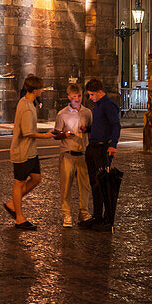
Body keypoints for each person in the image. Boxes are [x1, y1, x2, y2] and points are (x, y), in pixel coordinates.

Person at [4, 74, 54, 230]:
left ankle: (13, 203)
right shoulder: (26, 106)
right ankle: (19, 218)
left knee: (36, 178)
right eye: (41, 88)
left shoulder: (30, 103)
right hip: (22, 152)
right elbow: (27, 132)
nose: (43, 90)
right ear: (35, 90)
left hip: (31, 151)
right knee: (18, 183)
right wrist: (46, 135)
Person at [81, 78, 121, 231]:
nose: (91, 98)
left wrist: (113, 146)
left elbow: (115, 125)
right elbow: (100, 124)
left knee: (103, 184)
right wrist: (89, 129)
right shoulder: (97, 106)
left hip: (103, 148)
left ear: (99, 92)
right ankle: (97, 216)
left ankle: (106, 219)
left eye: (92, 95)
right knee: (94, 183)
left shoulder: (108, 105)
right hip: (93, 147)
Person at [53, 83, 92, 228]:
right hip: (67, 153)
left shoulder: (87, 112)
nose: (77, 99)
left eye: (79, 96)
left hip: (82, 153)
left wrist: (86, 129)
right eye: (74, 96)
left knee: (84, 186)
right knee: (66, 186)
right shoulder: (62, 114)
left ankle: (84, 212)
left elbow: (91, 131)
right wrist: (65, 134)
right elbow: (56, 134)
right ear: (69, 97)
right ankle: (66, 214)